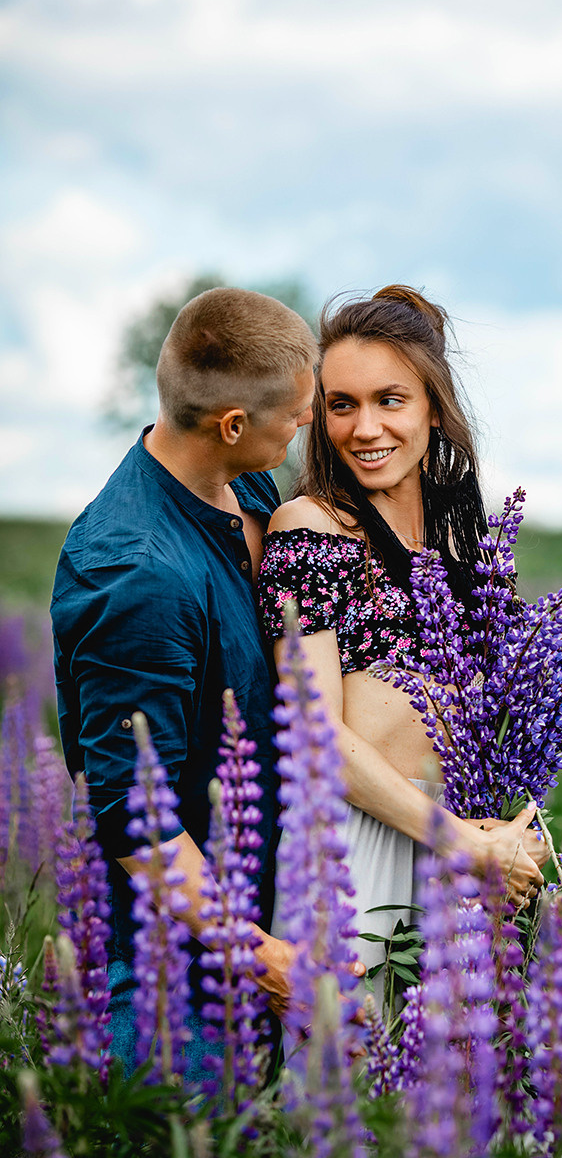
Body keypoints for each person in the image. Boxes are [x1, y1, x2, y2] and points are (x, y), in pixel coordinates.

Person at [50, 287, 323, 1076]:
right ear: (232, 424)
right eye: (295, 414)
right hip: (181, 980)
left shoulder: (247, 487)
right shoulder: (136, 571)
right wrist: (264, 958)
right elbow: (139, 823)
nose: (305, 424)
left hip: (271, 909)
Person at [258, 285, 548, 991]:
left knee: (480, 1088)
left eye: (390, 399)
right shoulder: (311, 529)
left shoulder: (464, 534)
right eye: (341, 404)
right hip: (363, 845)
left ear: (432, 408)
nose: (364, 427)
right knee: (359, 1087)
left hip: (475, 836)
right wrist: (460, 843)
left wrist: (515, 827)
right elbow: (313, 734)